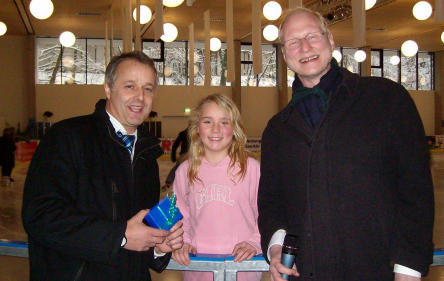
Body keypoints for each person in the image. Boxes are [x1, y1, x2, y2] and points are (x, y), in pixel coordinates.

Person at [258, 7, 434, 281]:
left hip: (377, 271)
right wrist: (277, 247)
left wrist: (407, 268)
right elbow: (272, 202)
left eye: (312, 36)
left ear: (330, 40)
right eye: (293, 41)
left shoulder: (386, 100)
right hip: (307, 272)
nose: (304, 47)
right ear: (284, 54)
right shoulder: (277, 130)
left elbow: (415, 190)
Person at [22, 51, 184, 281]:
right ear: (108, 88)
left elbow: (137, 234)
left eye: (148, 89)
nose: (140, 97)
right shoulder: (68, 137)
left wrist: (157, 245)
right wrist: (121, 235)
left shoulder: (147, 155)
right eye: (130, 86)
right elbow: (40, 215)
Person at [172, 93, 262, 281]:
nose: (215, 130)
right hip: (198, 267)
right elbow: (180, 216)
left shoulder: (252, 169)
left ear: (235, 128)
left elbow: (266, 214)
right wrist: (183, 242)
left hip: (242, 268)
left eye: (224, 122)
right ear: (197, 127)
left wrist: (255, 242)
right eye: (207, 122)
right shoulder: (185, 171)